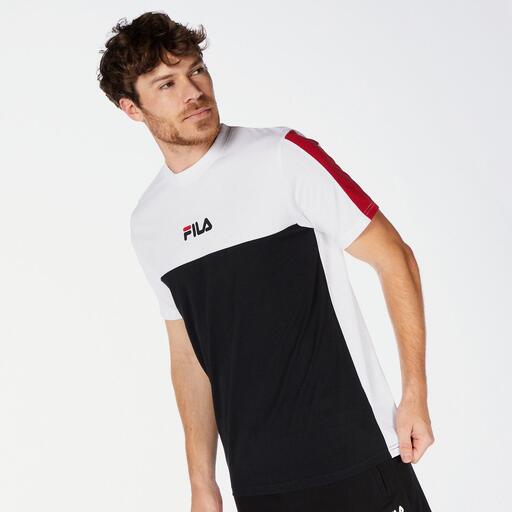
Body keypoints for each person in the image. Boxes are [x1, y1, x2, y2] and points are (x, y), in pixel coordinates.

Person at [98, 11, 435, 512]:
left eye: (196, 70)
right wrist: (202, 482)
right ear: (132, 108)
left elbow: (395, 258)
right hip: (258, 482)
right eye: (167, 84)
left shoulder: (283, 155)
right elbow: (188, 354)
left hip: (356, 451)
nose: (193, 91)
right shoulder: (150, 222)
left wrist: (415, 394)